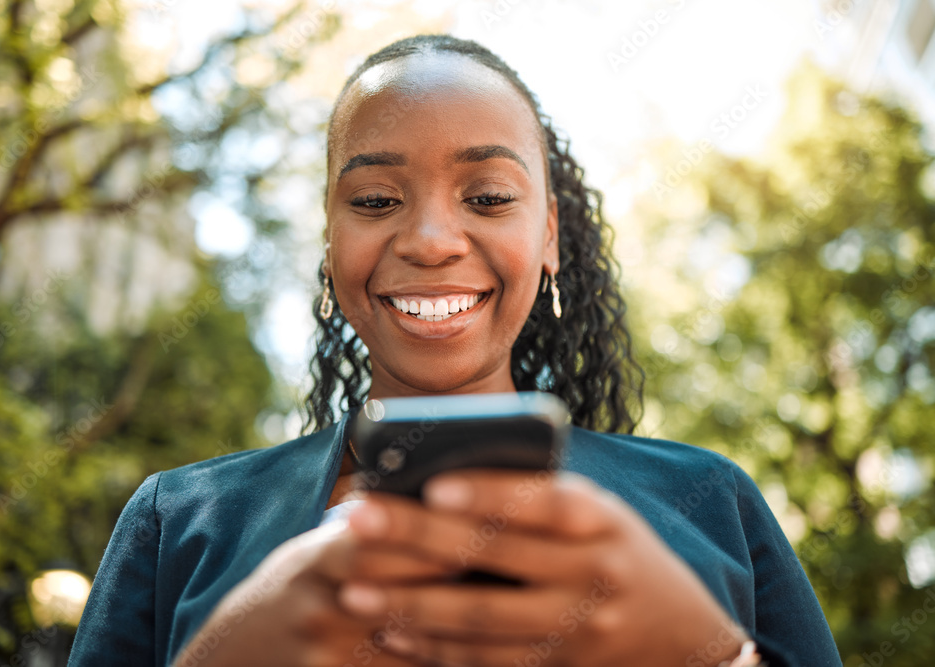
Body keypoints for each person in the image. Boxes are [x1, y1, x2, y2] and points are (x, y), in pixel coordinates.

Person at [68, 34, 844, 666]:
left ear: (548, 237)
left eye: (489, 197)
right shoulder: (176, 522)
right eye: (375, 200)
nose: (432, 240)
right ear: (332, 240)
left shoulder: (713, 505)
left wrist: (714, 656)